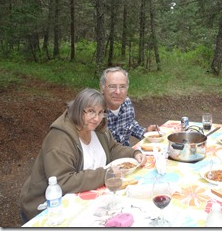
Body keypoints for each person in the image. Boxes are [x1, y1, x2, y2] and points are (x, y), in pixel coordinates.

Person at [20, 88, 147, 222]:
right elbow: (63, 181)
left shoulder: (98, 129)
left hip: (87, 199)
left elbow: (113, 148)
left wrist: (134, 153)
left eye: (100, 112)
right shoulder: (60, 140)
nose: (96, 118)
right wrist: (105, 174)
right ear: (78, 110)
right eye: (91, 111)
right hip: (48, 208)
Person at [99, 67, 157, 146]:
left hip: (126, 152)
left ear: (127, 88)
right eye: (112, 86)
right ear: (102, 88)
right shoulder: (95, 110)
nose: (118, 92)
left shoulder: (126, 103)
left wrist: (145, 132)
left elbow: (130, 124)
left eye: (122, 87)